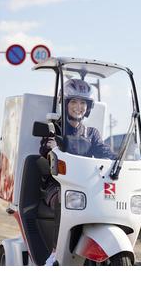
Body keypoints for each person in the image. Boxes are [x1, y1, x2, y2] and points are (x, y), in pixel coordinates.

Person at [39, 78, 116, 266]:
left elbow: (105, 153)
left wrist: (122, 158)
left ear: (88, 107)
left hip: (84, 185)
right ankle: (55, 253)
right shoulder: (54, 127)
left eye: (83, 103)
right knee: (62, 200)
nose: (78, 106)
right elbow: (48, 147)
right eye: (73, 101)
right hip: (56, 184)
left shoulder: (92, 133)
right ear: (65, 104)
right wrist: (52, 149)